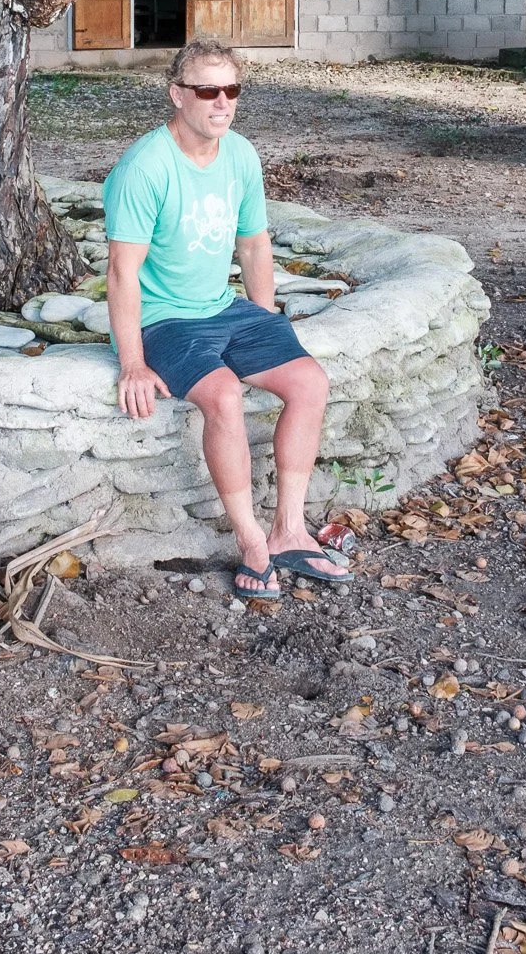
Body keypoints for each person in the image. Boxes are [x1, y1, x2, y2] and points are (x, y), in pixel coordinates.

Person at [102, 36, 349, 599]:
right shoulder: (145, 166)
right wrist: (132, 361)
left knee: (309, 382)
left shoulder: (240, 154)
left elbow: (255, 246)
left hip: (223, 307)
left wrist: (265, 325)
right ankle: (252, 541)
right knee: (224, 396)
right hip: (164, 320)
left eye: (231, 90)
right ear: (177, 95)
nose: (221, 102)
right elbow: (121, 272)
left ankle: (289, 531)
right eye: (207, 90)